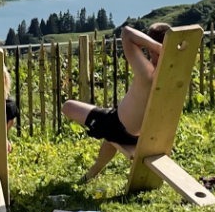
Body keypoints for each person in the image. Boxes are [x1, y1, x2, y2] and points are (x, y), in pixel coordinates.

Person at [60, 22, 169, 181]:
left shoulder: (148, 73)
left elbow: (126, 33)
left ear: (152, 47)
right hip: (150, 133)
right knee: (109, 128)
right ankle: (92, 173)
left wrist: (158, 47)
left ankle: (92, 172)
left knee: (68, 106)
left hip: (121, 128)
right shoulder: (174, 73)